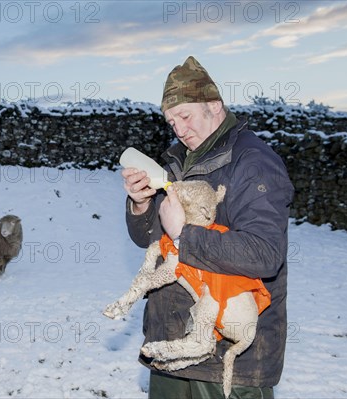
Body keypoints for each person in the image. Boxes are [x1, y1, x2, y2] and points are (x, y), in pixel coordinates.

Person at [122, 56, 294, 398]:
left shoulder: (253, 162)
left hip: (227, 358)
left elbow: (264, 254)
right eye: (171, 122)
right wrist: (140, 204)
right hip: (170, 343)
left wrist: (184, 235)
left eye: (185, 116)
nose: (180, 130)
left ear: (214, 105)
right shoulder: (176, 161)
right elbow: (148, 239)